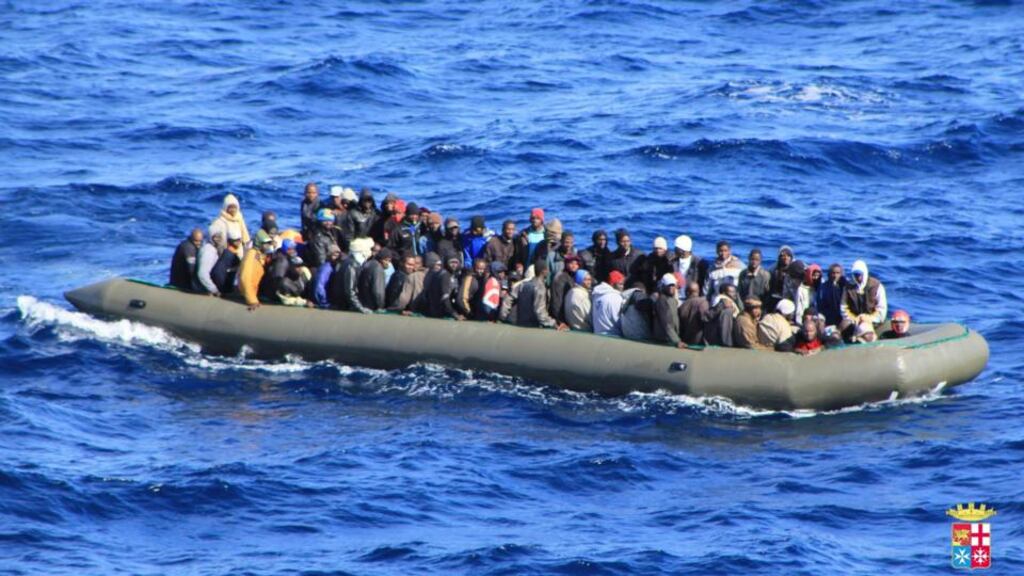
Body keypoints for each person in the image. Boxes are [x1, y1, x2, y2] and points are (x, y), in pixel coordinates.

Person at [514, 261, 565, 329]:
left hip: (519, 325)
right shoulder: (539, 288)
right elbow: (540, 312)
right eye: (547, 269)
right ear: (543, 271)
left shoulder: (523, 285)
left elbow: (508, 299)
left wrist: (503, 317)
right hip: (533, 328)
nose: (548, 271)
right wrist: (554, 324)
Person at [842, 259, 888, 327]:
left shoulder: (877, 286)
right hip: (854, 321)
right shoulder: (848, 288)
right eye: (855, 274)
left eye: (860, 274)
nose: (858, 277)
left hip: (873, 322)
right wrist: (854, 319)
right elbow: (843, 308)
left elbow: (882, 309)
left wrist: (868, 319)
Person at [333, 238, 374, 313]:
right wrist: (360, 308)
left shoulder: (349, 262)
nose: (370, 252)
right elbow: (349, 290)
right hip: (343, 307)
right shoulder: (352, 265)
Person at [238, 237, 274, 311]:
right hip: (250, 292)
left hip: (256, 290)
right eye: (266, 244)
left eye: (269, 244)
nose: (268, 246)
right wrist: (252, 300)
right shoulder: (251, 256)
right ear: (259, 244)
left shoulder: (259, 253)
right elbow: (245, 278)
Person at [426, 252, 463, 320]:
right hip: (439, 312)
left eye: (456, 262)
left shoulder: (452, 274)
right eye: (451, 262)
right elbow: (444, 298)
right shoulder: (445, 276)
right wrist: (454, 314)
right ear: (446, 263)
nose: (454, 265)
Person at [651, 274, 683, 348]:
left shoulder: (673, 300)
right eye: (669, 285)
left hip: (670, 339)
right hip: (663, 342)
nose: (671, 288)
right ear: (663, 286)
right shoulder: (662, 300)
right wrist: (677, 341)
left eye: (673, 285)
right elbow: (666, 324)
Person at [591, 270, 626, 336]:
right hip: (613, 336)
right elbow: (619, 321)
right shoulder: (616, 298)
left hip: (597, 335)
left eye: (623, 284)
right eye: (620, 284)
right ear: (612, 284)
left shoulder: (597, 295)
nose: (622, 287)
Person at [549, 255, 580, 324]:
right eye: (571, 263)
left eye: (576, 264)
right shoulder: (561, 278)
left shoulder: (573, 276)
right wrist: (560, 320)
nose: (574, 266)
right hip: (560, 317)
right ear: (566, 264)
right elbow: (557, 300)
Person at [816, 263, 848, 327]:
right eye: (833, 273)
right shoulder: (823, 287)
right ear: (829, 274)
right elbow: (820, 304)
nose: (835, 275)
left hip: (842, 317)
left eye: (837, 273)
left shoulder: (846, 287)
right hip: (827, 317)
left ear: (841, 274)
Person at [677, 281, 708, 346]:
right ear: (698, 291)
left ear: (686, 292)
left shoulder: (682, 306)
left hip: (685, 341)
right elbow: (705, 319)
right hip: (700, 342)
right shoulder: (702, 302)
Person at [768, 246, 795, 310]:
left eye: (788, 256)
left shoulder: (795, 270)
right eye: (783, 256)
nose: (786, 258)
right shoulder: (773, 270)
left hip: (790, 300)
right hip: (775, 299)